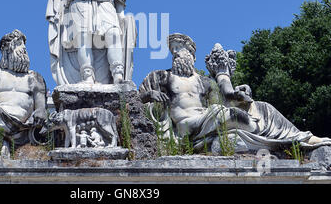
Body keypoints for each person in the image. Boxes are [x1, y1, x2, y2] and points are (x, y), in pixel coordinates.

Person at [139, 33, 331, 152]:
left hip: (209, 116)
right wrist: (149, 96)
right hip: (187, 126)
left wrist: (238, 92)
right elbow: (136, 100)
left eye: (179, 50)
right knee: (232, 115)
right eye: (173, 51)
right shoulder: (160, 77)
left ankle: (301, 137)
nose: (176, 54)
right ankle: (276, 137)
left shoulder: (204, 82)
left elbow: (225, 99)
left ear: (191, 54)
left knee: (265, 108)